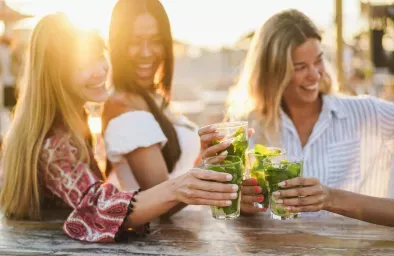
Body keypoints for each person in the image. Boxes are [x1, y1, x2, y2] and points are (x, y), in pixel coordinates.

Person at [0, 13, 240, 243]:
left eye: (99, 56)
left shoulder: (74, 120)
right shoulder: (54, 142)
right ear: (55, 75)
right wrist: (178, 186)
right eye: (83, 64)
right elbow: (97, 209)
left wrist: (201, 169)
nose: (100, 70)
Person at [199, 9, 394, 216]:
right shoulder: (249, 128)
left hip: (351, 250)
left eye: (318, 61)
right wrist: (244, 206)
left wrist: (333, 198)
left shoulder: (366, 113)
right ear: (273, 73)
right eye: (300, 67)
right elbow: (237, 212)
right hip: (277, 251)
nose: (315, 75)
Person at [102, 0, 201, 196]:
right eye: (133, 42)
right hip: (161, 227)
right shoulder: (124, 106)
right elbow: (161, 200)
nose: (146, 53)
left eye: (156, 41)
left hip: (192, 224)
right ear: (117, 45)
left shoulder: (152, 97)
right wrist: (207, 166)